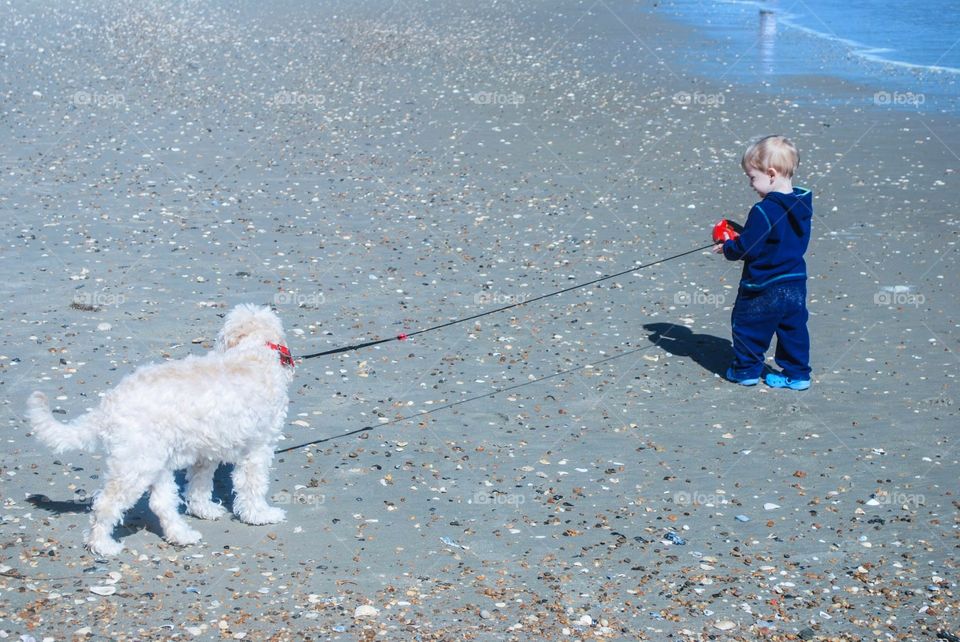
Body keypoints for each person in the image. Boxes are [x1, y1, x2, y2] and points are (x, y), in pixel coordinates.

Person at [713, 135, 812, 390]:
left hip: (764, 284)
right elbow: (777, 239)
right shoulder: (802, 205)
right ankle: (798, 375)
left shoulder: (763, 210)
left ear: (770, 174)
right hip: (795, 282)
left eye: (752, 177)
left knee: (748, 325)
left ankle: (745, 370)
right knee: (793, 329)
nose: (750, 183)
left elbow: (749, 248)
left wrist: (729, 247)